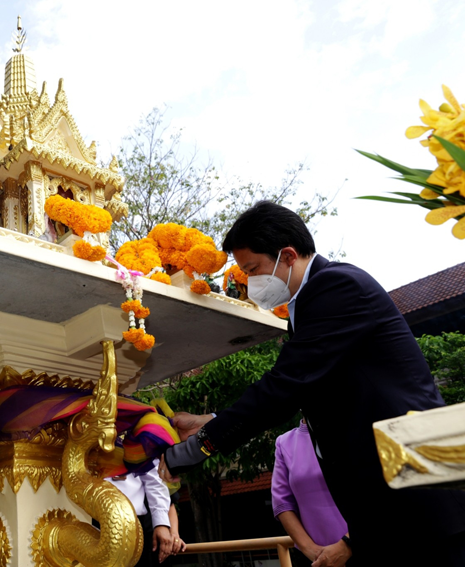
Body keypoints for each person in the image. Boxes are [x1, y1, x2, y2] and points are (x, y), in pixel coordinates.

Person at [160, 201, 465, 566]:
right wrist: (211, 420)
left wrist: (194, 450)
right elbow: (296, 389)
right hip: (394, 496)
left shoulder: (336, 286)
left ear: (287, 255)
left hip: (421, 490)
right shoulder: (306, 304)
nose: (252, 281)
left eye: (253, 269)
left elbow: (286, 385)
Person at [271, 418, 349, 567]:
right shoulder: (285, 442)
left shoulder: (358, 428)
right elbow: (282, 503)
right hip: (317, 561)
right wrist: (314, 552)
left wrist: (347, 544)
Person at [107, 458, 183, 565]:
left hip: (135, 526)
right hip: (86, 517)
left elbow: (155, 480)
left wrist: (165, 527)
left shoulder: (142, 448)